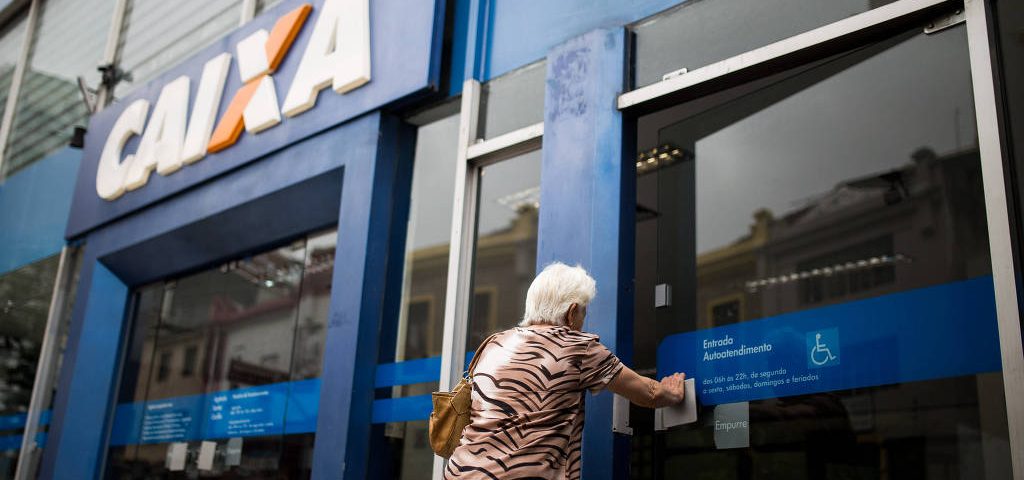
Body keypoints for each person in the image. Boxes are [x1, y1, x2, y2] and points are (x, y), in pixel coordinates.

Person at [444, 262, 687, 479]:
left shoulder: (494, 344)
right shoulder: (578, 348)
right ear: (571, 313)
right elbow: (649, 394)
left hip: (460, 472)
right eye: (583, 313)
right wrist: (673, 393)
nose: (582, 322)